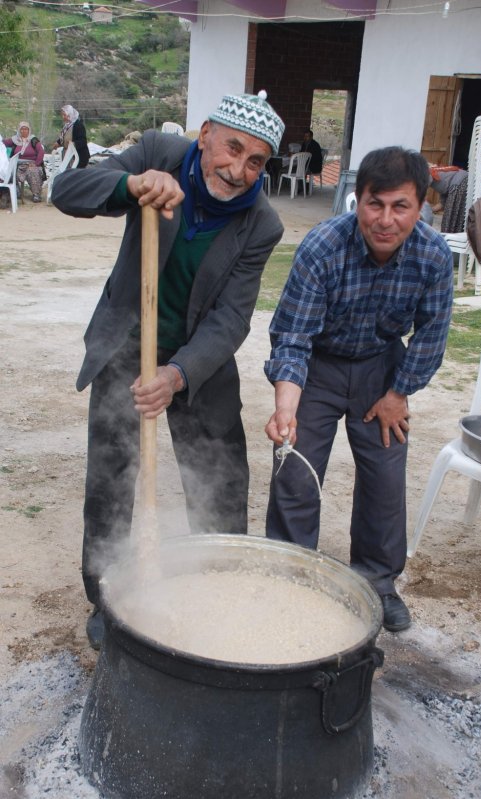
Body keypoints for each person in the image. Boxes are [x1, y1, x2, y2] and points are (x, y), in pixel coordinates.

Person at [51, 90, 285, 649]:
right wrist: (130, 185)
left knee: (225, 483)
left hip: (198, 367)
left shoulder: (261, 223)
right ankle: (106, 595)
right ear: (205, 134)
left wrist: (177, 375)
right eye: (231, 148)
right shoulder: (157, 151)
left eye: (256, 161)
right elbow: (67, 191)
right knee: (111, 477)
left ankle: (219, 588)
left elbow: (230, 321)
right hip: (127, 349)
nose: (238, 169)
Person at [264, 146, 454, 633]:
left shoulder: (433, 256)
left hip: (381, 370)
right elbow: (293, 335)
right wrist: (287, 405)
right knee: (295, 468)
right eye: (376, 204)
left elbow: (431, 334)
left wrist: (399, 393)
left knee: (386, 477)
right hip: (319, 367)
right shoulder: (323, 246)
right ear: (358, 199)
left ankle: (377, 582)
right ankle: (290, 577)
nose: (385, 220)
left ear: (420, 205)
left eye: (400, 206)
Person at [3, 122, 45, 203]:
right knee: (8, 172)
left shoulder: (34, 140)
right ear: (19, 130)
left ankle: (36, 194)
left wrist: (36, 163)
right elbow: (3, 143)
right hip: (17, 164)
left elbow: (41, 152)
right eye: (22, 129)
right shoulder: (15, 139)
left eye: (25, 129)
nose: (23, 131)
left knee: (32, 171)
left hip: (31, 164)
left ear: (29, 130)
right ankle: (16, 192)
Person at [428, 164, 468, 233]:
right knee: (458, 214)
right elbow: (442, 204)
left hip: (459, 184)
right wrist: (429, 210)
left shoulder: (427, 172)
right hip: (464, 180)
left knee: (450, 216)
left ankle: (450, 237)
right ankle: (456, 236)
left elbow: (422, 187)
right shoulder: (444, 186)